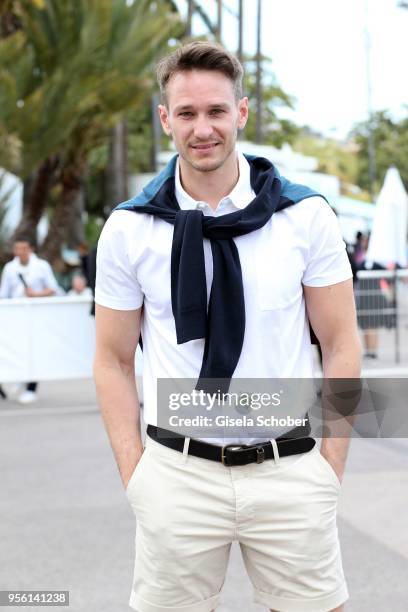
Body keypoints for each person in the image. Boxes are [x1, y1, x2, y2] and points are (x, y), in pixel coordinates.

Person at [94, 42, 361, 612]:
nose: (202, 128)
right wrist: (136, 477)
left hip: (290, 467)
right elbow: (112, 360)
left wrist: (329, 467)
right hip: (176, 473)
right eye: (186, 113)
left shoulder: (304, 215)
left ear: (241, 112)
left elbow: (340, 343)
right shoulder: (129, 229)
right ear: (165, 119)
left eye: (216, 111)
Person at [0, 236, 60, 403]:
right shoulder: (10, 268)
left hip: (36, 316)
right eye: (17, 249)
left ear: (31, 249)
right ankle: (21, 378)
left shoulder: (42, 266)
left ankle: (31, 388)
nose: (20, 252)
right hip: (16, 317)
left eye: (24, 248)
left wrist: (36, 295)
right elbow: (4, 294)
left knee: (35, 350)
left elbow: (53, 289)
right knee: (17, 348)